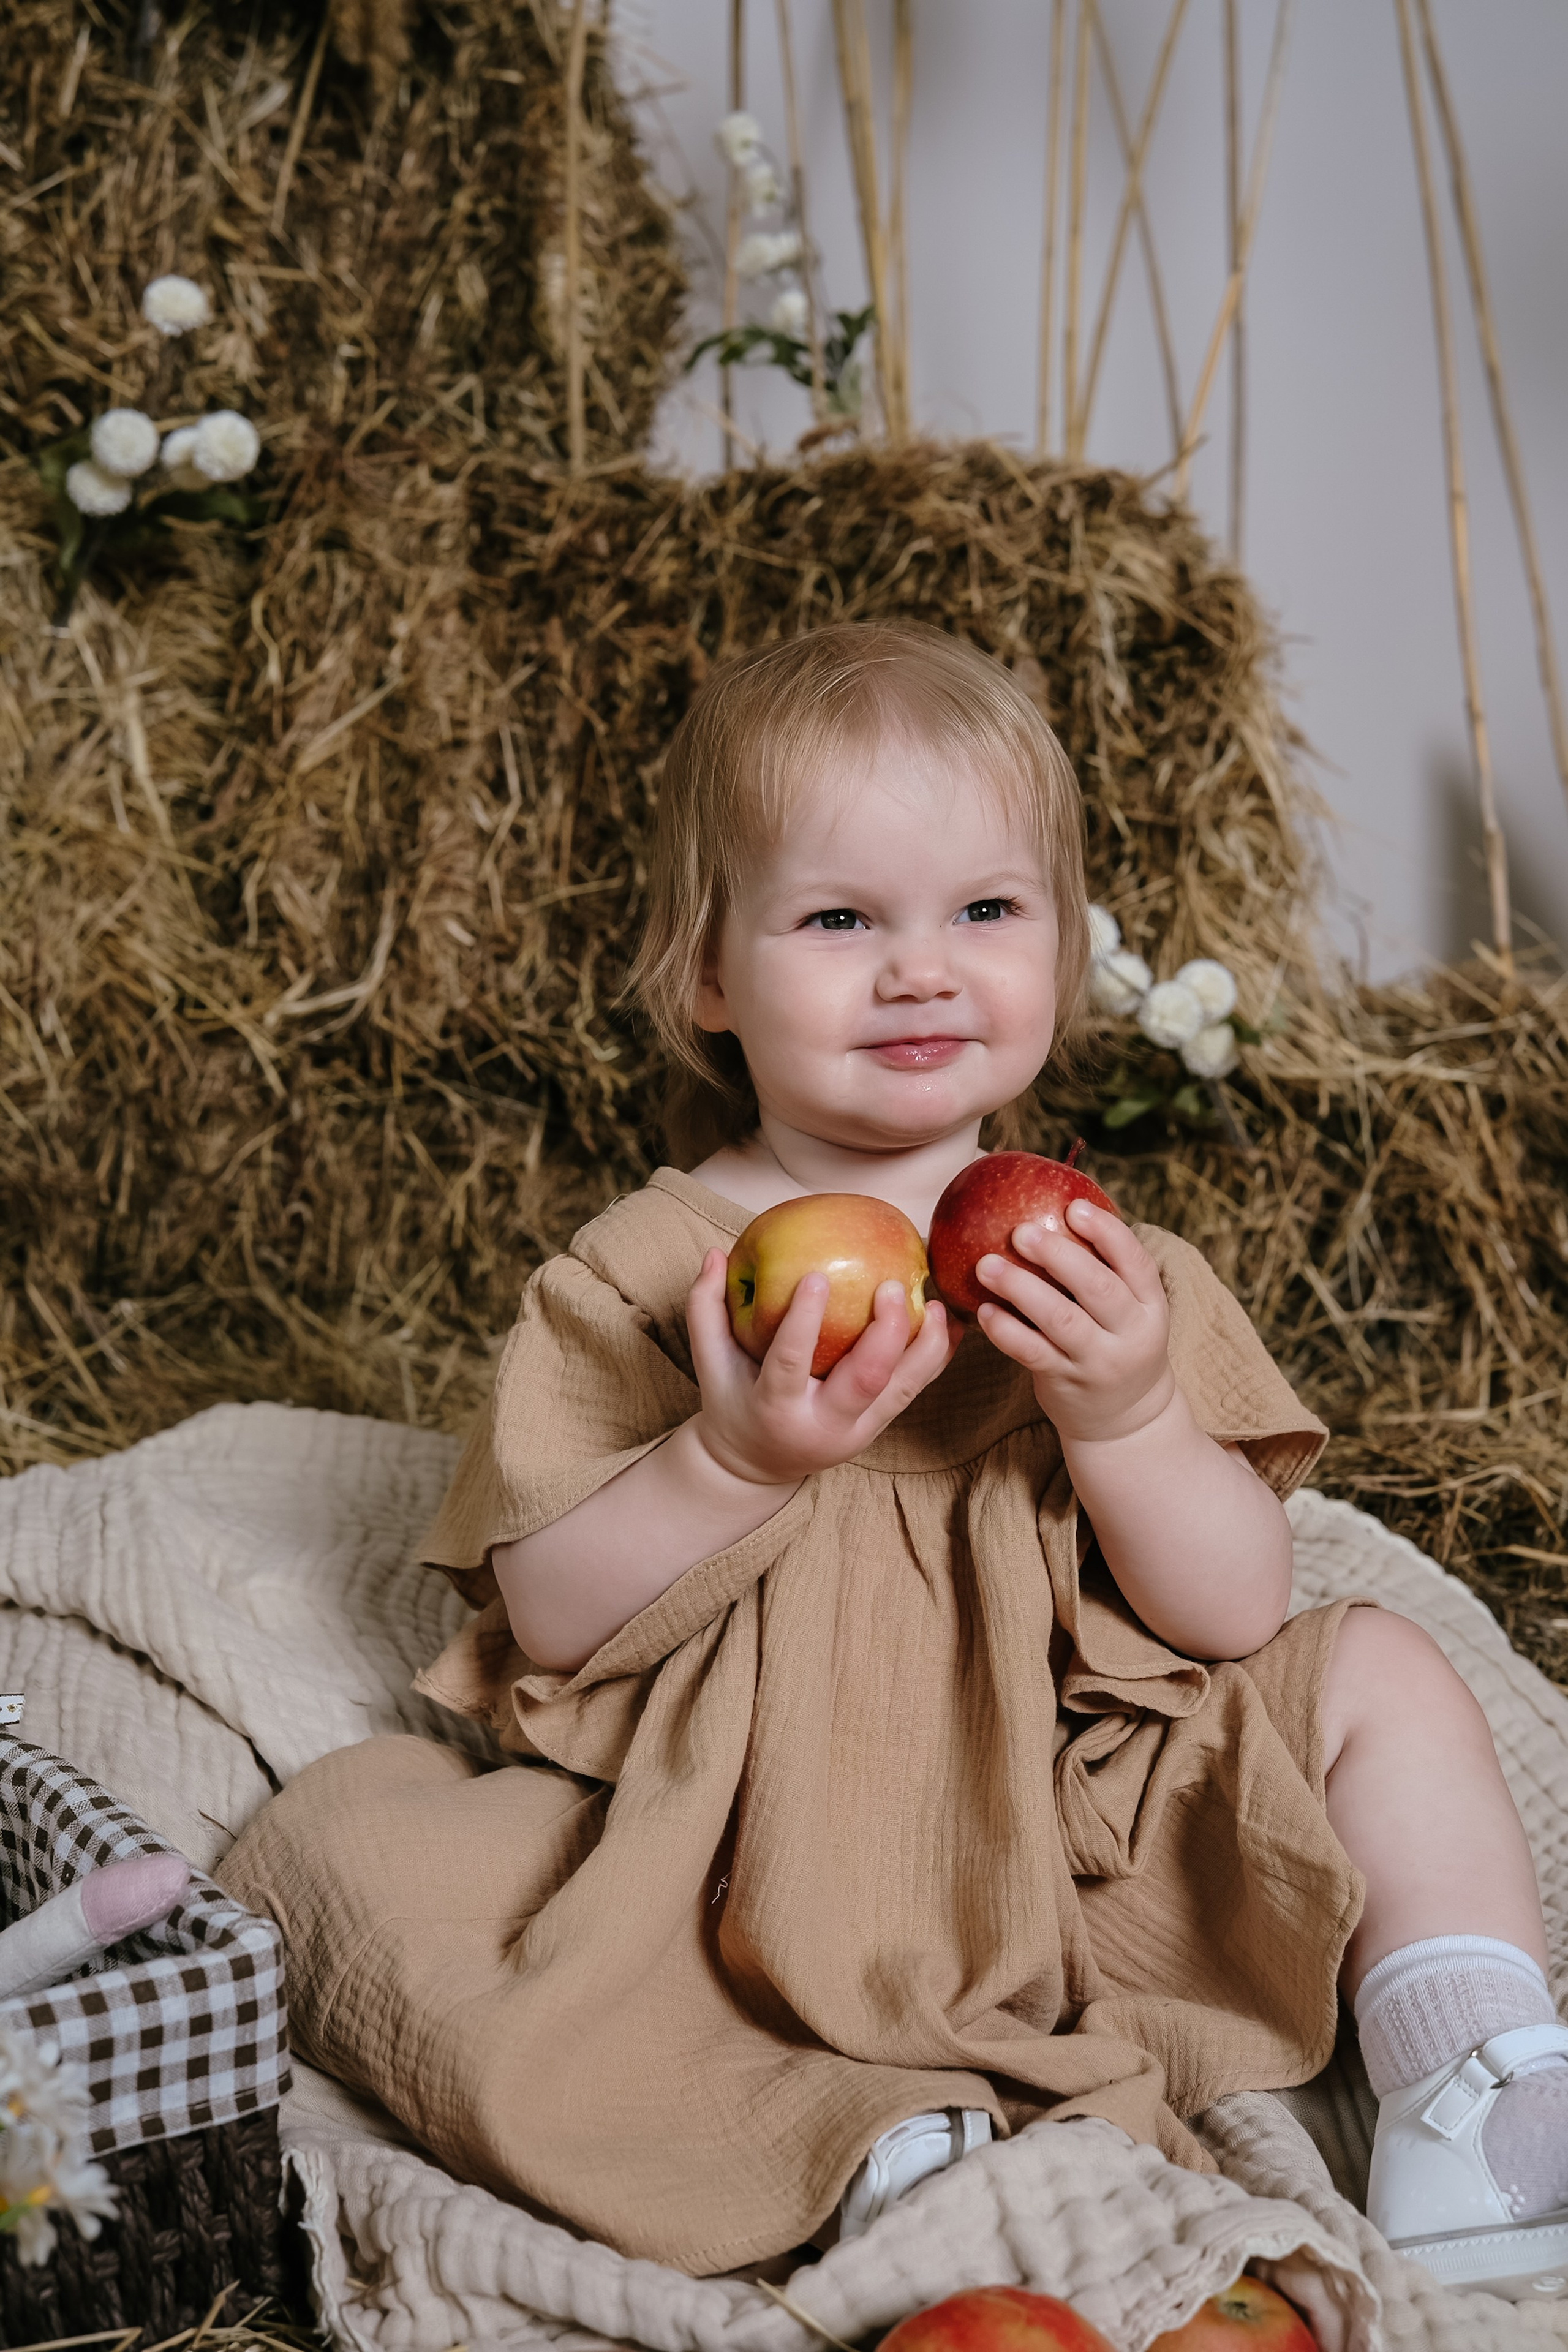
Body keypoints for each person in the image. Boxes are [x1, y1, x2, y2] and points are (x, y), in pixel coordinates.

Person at [220, 622, 1568, 2296]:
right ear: (708, 975)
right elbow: (552, 1619)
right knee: (354, 1852)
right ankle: (860, 2132)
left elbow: (1230, 1612)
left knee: (1380, 1671)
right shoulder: (648, 1272)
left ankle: (1476, 2084)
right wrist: (732, 1456)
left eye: (986, 912)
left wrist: (1132, 1415)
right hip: (754, 1839)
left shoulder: (1098, 1274)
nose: (922, 969)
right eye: (842, 918)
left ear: (1065, 952)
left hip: (1070, 1815)